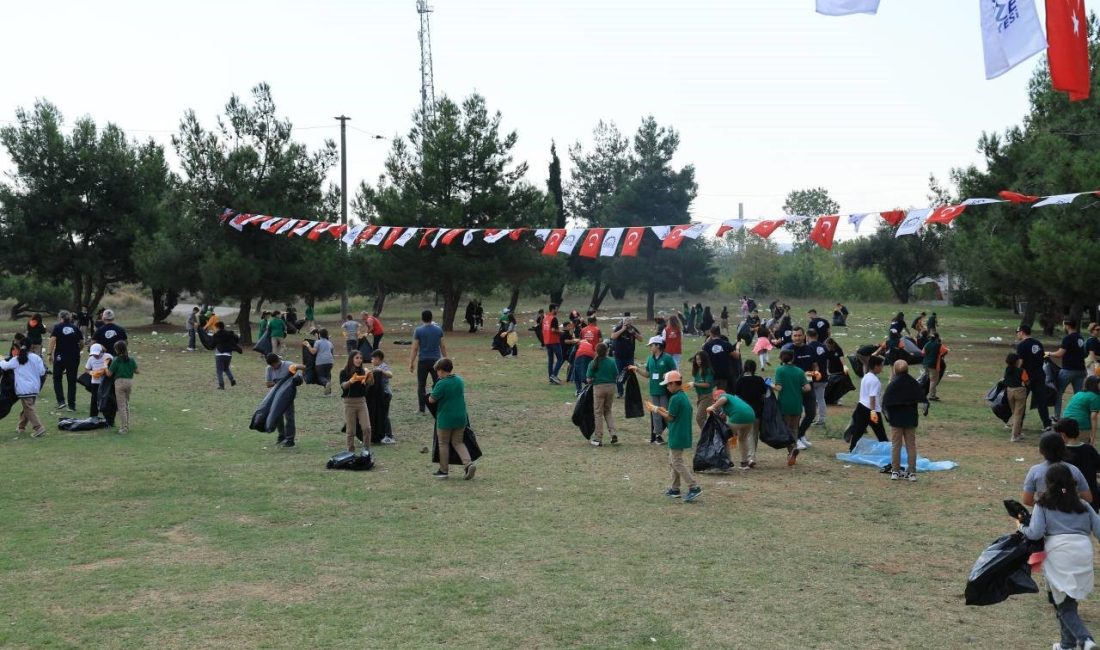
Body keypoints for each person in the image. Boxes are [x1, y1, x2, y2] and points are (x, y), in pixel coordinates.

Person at [1017, 462, 1100, 650]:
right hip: (1082, 550)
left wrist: (1021, 527)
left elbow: (1035, 533)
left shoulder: (1043, 504)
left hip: (1059, 552)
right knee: (1068, 597)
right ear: (1072, 482)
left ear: (1048, 483)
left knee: (1062, 602)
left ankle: (1085, 639)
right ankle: (1066, 644)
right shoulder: (1083, 504)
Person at [647, 370, 701, 502]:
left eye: (668, 385)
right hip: (680, 432)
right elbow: (673, 413)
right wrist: (659, 408)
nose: (666, 387)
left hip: (677, 433)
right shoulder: (681, 396)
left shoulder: (675, 398)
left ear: (673, 384)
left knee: (676, 461)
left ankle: (693, 486)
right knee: (673, 460)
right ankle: (674, 488)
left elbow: (670, 417)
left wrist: (655, 410)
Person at [428, 358, 475, 479]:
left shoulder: (442, 383)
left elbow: (432, 399)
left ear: (441, 371)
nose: (437, 373)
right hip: (460, 417)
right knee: (458, 442)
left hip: (445, 418)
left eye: (437, 371)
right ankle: (468, 464)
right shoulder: (459, 380)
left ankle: (443, 471)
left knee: (443, 443)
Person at [881, 360, 928, 482]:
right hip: (910, 418)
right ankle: (912, 473)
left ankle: (895, 471)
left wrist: (888, 417)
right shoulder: (913, 383)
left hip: (896, 419)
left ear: (895, 370)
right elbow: (923, 399)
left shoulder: (893, 383)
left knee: (896, 445)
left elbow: (885, 402)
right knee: (911, 446)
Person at [628, 336, 677, 444]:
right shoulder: (650, 358)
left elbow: (675, 373)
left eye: (651, 345)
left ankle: (674, 434)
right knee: (656, 414)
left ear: (658, 345)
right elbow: (648, 374)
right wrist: (637, 369)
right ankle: (658, 436)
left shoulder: (667, 358)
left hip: (665, 391)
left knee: (666, 414)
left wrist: (667, 376)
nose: (650, 347)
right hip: (654, 390)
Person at [1023, 432, 1092, 507]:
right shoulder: (1074, 470)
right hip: (1070, 513)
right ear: (1064, 448)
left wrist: (1044, 508)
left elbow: (1027, 500)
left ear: (1041, 450)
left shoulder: (1035, 471)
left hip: (1045, 516)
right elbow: (1088, 498)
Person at [0, 338, 47, 437]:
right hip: (35, 387)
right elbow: (42, 372)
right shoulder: (36, 358)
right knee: (27, 408)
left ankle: (38, 427)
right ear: (31, 346)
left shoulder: (17, 359)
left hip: (24, 389)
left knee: (28, 409)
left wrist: (1, 359)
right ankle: (21, 427)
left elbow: (5, 366)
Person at [781, 327, 819, 450]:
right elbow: (784, 368)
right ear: (792, 337)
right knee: (796, 414)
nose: (797, 338)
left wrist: (816, 372)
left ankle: (801, 434)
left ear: (804, 336)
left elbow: (814, 364)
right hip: (794, 388)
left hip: (808, 385)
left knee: (811, 413)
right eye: (795, 335)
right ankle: (795, 439)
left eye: (799, 335)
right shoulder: (788, 350)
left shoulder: (810, 348)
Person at [843, 355, 888, 452]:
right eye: (881, 366)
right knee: (880, 433)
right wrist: (873, 412)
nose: (882, 368)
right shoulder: (875, 381)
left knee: (858, 431)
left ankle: (852, 448)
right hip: (871, 409)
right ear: (875, 366)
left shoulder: (866, 376)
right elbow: (872, 397)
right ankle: (888, 451)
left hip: (861, 406)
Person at [707, 388, 756, 471]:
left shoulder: (724, 396)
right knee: (742, 440)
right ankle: (745, 463)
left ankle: (727, 463)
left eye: (715, 400)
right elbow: (725, 414)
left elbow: (723, 399)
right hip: (751, 417)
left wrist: (712, 407)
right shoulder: (734, 400)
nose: (715, 402)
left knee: (723, 438)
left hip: (739, 417)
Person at [1016, 325, 1054, 433]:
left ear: (1022, 332)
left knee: (1021, 401)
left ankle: (1018, 424)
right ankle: (1047, 424)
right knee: (1042, 401)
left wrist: (1016, 374)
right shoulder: (1038, 343)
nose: (1017, 334)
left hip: (1027, 377)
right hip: (1039, 375)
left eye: (1017, 332)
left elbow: (1020, 363)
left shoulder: (1022, 345)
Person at [773, 349, 807, 467]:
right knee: (794, 429)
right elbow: (807, 388)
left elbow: (779, 388)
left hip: (785, 404)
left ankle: (791, 450)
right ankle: (793, 449)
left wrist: (769, 384)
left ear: (781, 359)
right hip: (797, 404)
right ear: (793, 358)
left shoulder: (780, 370)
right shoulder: (799, 371)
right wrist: (798, 389)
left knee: (786, 429)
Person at [410, 310, 446, 415]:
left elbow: (415, 348)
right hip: (436, 361)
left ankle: (422, 409)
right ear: (431, 318)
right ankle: (438, 406)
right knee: (438, 384)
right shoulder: (439, 330)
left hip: (423, 361)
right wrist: (445, 359)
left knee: (421, 385)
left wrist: (411, 362)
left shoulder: (418, 331)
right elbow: (442, 346)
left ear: (422, 318)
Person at [1059, 419, 1100, 512]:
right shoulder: (1089, 449)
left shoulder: (1061, 453)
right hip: (1091, 496)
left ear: (1063, 435)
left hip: (1069, 498)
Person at [733, 359, 767, 469]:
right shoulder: (759, 380)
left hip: (743, 412)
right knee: (754, 435)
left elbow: (736, 398)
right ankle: (752, 456)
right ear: (754, 368)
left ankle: (746, 457)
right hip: (756, 411)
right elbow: (764, 395)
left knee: (743, 436)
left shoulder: (740, 380)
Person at [1051, 320, 1088, 419]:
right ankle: (1078, 416)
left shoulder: (1068, 338)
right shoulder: (1080, 338)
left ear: (1067, 326)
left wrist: (1049, 353)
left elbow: (1060, 354)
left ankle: (1057, 416)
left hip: (1068, 370)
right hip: (1081, 370)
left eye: (1064, 325)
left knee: (1058, 392)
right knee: (1078, 395)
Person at [47, 310, 83, 412]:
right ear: (69, 318)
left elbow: (52, 340)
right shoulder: (75, 328)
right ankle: (71, 405)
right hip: (74, 357)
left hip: (60, 357)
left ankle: (61, 401)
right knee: (71, 381)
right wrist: (77, 350)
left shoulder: (58, 327)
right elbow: (82, 342)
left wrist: (49, 354)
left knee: (57, 378)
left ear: (60, 318)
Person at [339, 351, 373, 456]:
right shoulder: (344, 372)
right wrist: (351, 381)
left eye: (360, 358)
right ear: (351, 359)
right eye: (356, 358)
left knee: (367, 428)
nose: (359, 360)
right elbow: (343, 386)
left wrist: (370, 377)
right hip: (349, 403)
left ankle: (366, 450)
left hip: (361, 402)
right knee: (351, 431)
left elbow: (370, 384)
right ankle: (350, 451)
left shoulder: (363, 371)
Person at [264, 353, 302, 448]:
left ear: (278, 361)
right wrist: (278, 382)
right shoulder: (269, 369)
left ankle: (290, 440)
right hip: (276, 396)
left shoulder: (288, 365)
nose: (273, 367)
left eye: (274, 365)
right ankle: (281, 436)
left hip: (288, 395)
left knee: (289, 417)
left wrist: (297, 377)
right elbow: (268, 384)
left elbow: (301, 369)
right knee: (278, 417)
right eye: (271, 366)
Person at [586, 342, 618, 447]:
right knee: (608, 411)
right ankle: (613, 433)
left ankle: (598, 437)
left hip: (599, 388)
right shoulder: (612, 362)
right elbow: (616, 375)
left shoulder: (593, 363)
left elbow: (588, 379)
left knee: (598, 413)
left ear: (596, 351)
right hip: (611, 387)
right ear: (607, 351)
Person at [105, 341, 137, 434]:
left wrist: (105, 366)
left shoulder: (116, 360)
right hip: (129, 382)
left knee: (121, 406)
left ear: (117, 350)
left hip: (119, 382)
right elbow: (137, 371)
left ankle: (124, 428)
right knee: (126, 404)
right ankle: (126, 424)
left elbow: (109, 374)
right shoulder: (131, 359)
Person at [1061, 376, 1100, 445]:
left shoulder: (1078, 394)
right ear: (1094, 385)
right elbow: (1093, 417)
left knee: (1068, 447)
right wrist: (1092, 437)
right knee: (1082, 448)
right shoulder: (1095, 397)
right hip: (1081, 425)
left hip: (1065, 423)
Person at [370, 350, 396, 444]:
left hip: (385, 394)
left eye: (372, 359)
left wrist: (382, 371)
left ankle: (389, 436)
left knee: (385, 415)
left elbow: (390, 375)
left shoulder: (383, 366)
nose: (371, 361)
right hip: (380, 395)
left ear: (377, 359)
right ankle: (381, 434)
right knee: (380, 415)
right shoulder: (376, 367)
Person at [611, 315, 640, 398]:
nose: (628, 323)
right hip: (619, 356)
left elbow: (641, 339)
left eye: (629, 321)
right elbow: (613, 336)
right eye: (626, 321)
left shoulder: (633, 329)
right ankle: (620, 392)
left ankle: (630, 392)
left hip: (629, 356)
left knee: (630, 375)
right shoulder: (619, 327)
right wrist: (622, 329)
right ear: (623, 322)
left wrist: (634, 333)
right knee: (619, 374)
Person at [703, 325, 740, 392]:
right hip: (724, 374)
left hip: (712, 374)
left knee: (707, 392)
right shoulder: (726, 344)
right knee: (721, 394)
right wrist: (737, 348)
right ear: (720, 333)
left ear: (711, 333)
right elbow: (737, 356)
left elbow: (702, 352)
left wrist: (708, 339)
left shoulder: (707, 345)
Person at [85, 343, 114, 426]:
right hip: (95, 382)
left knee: (106, 400)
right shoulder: (91, 359)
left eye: (96, 354)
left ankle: (109, 420)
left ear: (101, 351)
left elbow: (112, 367)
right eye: (93, 354)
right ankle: (93, 417)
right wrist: (92, 372)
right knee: (94, 400)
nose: (95, 356)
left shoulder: (108, 356)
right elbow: (86, 369)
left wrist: (104, 371)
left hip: (106, 383)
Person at [301, 329, 335, 396]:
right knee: (327, 376)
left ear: (319, 335)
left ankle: (326, 383)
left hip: (321, 362)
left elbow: (313, 352)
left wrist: (308, 345)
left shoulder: (318, 342)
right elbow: (332, 353)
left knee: (320, 377)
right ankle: (328, 393)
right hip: (330, 362)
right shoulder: (330, 343)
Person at [1004, 352, 1029, 443]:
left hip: (1009, 391)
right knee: (1018, 415)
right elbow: (1026, 381)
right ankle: (1014, 436)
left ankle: (1018, 433)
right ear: (1016, 361)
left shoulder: (1007, 369)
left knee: (1014, 412)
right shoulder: (1021, 370)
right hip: (1019, 392)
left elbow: (1005, 380)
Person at [807, 328, 829, 427]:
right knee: (821, 399)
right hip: (823, 376)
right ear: (817, 336)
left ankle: (809, 418)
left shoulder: (807, 348)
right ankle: (822, 419)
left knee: (809, 400)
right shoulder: (824, 347)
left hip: (811, 377)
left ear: (807, 336)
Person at [690, 351, 715, 431]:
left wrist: (695, 384)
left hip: (707, 396)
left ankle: (707, 434)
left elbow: (707, 384)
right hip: (699, 396)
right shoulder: (697, 370)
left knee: (699, 417)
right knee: (702, 417)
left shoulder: (708, 370)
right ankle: (709, 434)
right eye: (697, 360)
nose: (698, 362)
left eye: (700, 360)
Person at [210, 321, 239, 389]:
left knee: (219, 370)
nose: (215, 329)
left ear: (218, 327)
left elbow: (212, 345)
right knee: (226, 368)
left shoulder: (217, 335)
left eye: (215, 328)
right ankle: (232, 380)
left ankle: (221, 385)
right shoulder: (229, 334)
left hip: (219, 354)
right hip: (229, 354)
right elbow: (236, 338)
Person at [542, 304, 566, 385]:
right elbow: (553, 330)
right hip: (554, 341)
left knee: (550, 360)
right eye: (556, 309)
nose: (557, 310)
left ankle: (550, 378)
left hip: (547, 341)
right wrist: (561, 332)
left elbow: (544, 329)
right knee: (560, 358)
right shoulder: (553, 318)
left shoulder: (545, 318)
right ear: (552, 309)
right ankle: (554, 375)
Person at [920, 333, 946, 401]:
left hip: (925, 364)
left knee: (927, 379)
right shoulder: (938, 345)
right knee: (934, 380)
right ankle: (932, 396)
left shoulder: (927, 344)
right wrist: (939, 355)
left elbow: (922, 353)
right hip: (933, 365)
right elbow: (945, 351)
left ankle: (922, 392)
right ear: (937, 338)